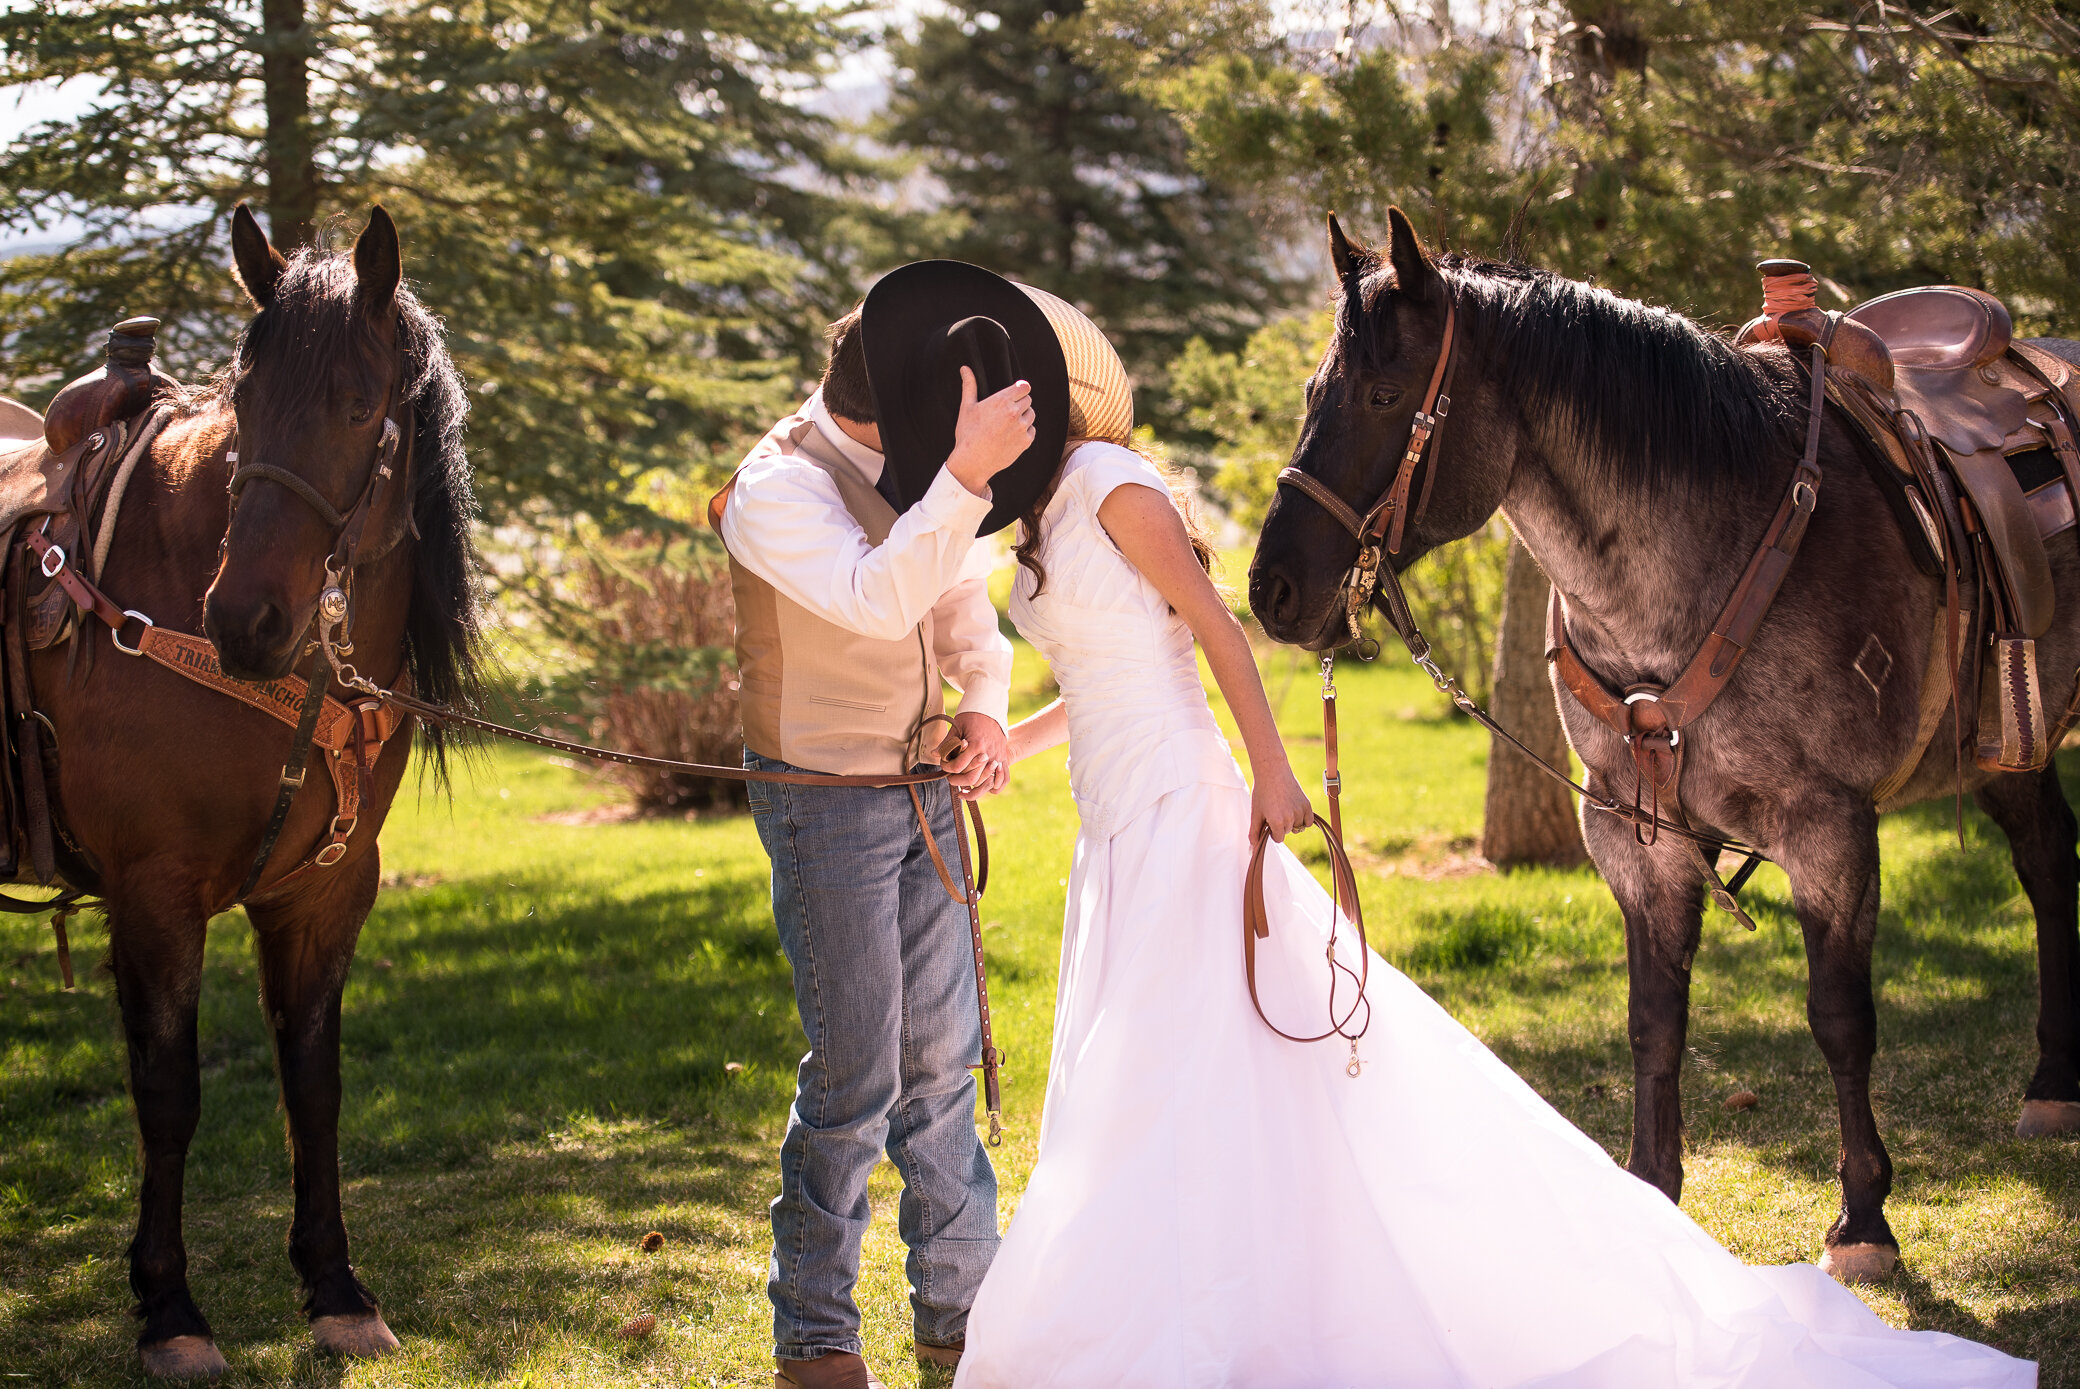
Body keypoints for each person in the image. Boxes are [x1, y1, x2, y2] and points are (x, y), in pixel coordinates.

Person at [948, 314, 2039, 1388]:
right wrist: (1005, 736)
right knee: (1159, 1051)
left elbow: (1211, 636)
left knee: (1184, 1042)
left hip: (1173, 798)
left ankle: (1237, 1283)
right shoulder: (1036, 513)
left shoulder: (1108, 488)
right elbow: (1098, 683)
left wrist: (1272, 772)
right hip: (1112, 807)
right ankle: (1190, 1275)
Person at [714, 263, 1071, 1389]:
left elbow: (961, 613)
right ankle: (814, 1333)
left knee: (942, 1062)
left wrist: (978, 709)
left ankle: (961, 1315)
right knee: (858, 1069)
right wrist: (962, 473)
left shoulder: (922, 468)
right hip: (822, 803)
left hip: (924, 794)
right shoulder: (775, 488)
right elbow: (874, 595)